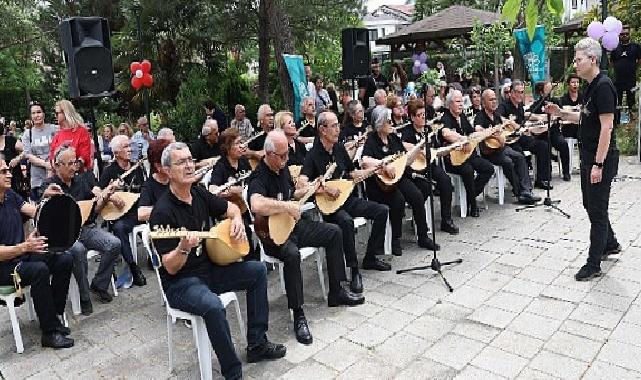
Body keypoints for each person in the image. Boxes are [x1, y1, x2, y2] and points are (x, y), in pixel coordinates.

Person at [150, 142, 286, 379]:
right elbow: (170, 267)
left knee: (257, 271)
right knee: (213, 305)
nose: (190, 165)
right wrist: (183, 248)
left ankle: (257, 344)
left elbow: (231, 209)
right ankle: (232, 372)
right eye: (181, 162)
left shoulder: (199, 193)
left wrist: (235, 220)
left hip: (209, 269)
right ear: (167, 171)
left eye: (190, 160)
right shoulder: (162, 212)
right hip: (181, 282)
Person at [247, 130, 364, 345]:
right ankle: (298, 314)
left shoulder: (280, 170)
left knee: (333, 232)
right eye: (281, 156)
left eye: (286, 155)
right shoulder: (259, 177)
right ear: (269, 154)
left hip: (293, 225)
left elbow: (292, 194)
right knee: (292, 255)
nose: (286, 160)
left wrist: (312, 188)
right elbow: (256, 204)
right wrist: (286, 206)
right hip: (274, 236)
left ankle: (336, 291)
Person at [545, 37, 621, 281]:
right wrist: (560, 113)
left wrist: (598, 164)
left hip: (601, 159)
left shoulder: (604, 86)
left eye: (578, 60)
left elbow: (606, 128)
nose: (575, 64)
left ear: (593, 59)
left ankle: (593, 263)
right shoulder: (590, 85)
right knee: (591, 205)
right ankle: (610, 243)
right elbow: (586, 118)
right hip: (588, 156)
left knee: (597, 212)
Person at [303, 111, 390, 275]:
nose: (338, 130)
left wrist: (377, 167)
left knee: (382, 211)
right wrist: (325, 188)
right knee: (346, 221)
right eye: (334, 126)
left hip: (347, 198)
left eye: (338, 125)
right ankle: (353, 269)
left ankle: (370, 258)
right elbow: (302, 183)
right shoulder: (313, 155)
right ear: (322, 129)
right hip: (330, 206)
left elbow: (353, 174)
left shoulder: (338, 149)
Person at [0, 159, 74, 349]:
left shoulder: (10, 196)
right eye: (3, 172)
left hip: (21, 254)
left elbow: (35, 212)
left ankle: (53, 316)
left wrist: (45, 199)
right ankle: (49, 333)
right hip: (4, 266)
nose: (9, 174)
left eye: (8, 170)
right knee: (39, 269)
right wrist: (24, 247)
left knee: (63, 257)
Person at [42, 145, 120, 313]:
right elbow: (41, 214)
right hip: (64, 235)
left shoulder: (81, 181)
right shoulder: (49, 186)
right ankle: (84, 297)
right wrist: (45, 196)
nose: (73, 167)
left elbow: (95, 208)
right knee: (78, 250)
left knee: (114, 243)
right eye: (69, 164)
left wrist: (106, 195)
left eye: (75, 162)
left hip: (86, 228)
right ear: (57, 166)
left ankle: (99, 284)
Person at [361, 106, 439, 255]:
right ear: (380, 123)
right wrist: (383, 164)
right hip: (380, 184)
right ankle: (395, 238)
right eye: (388, 121)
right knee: (398, 201)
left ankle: (423, 235)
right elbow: (364, 161)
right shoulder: (371, 140)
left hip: (398, 177)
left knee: (417, 195)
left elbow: (405, 160)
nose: (392, 124)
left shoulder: (393, 137)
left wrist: (420, 146)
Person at [474, 89, 540, 205]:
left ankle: (527, 190)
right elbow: (478, 129)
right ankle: (519, 193)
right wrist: (494, 133)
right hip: (490, 152)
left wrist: (518, 128)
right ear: (484, 102)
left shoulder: (496, 115)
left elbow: (506, 126)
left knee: (519, 156)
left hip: (502, 148)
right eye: (491, 100)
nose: (494, 102)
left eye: (495, 99)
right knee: (508, 162)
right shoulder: (480, 116)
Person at [401, 99, 458, 234]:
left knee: (446, 182)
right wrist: (419, 148)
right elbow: (405, 147)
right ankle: (420, 219)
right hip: (416, 169)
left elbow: (436, 151)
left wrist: (451, 148)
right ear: (413, 117)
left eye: (424, 115)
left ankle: (446, 219)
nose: (423, 118)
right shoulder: (407, 132)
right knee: (423, 189)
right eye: (420, 115)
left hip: (430, 164)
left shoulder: (429, 130)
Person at [98, 135, 147, 287]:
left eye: (129, 146)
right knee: (118, 227)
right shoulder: (109, 171)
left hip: (137, 211)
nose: (130, 149)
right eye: (126, 147)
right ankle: (133, 267)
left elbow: (145, 189)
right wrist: (111, 197)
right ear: (117, 152)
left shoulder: (137, 167)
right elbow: (98, 191)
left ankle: (156, 257)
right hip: (120, 214)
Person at [439, 90, 494, 217]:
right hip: (453, 159)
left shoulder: (462, 116)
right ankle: (473, 205)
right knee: (468, 170)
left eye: (462, 102)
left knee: (488, 168)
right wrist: (462, 139)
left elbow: (470, 132)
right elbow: (446, 133)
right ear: (449, 104)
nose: (461, 105)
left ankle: (471, 195)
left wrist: (483, 133)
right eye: (458, 102)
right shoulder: (445, 118)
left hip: (468, 155)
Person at [208, 128, 257, 261]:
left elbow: (253, 181)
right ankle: (249, 259)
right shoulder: (221, 166)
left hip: (247, 204)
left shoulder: (243, 162)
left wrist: (244, 190)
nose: (242, 146)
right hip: (232, 209)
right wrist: (230, 191)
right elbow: (213, 189)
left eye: (242, 142)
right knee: (244, 227)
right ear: (228, 147)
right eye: (238, 143)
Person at [497, 80, 553, 190]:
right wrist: (513, 124)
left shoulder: (519, 106)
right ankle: (522, 187)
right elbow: (498, 118)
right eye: (517, 92)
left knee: (543, 146)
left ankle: (541, 179)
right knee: (519, 154)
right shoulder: (504, 106)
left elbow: (522, 122)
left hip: (522, 137)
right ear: (512, 93)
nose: (520, 95)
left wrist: (530, 125)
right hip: (510, 140)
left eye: (522, 92)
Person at [531, 80, 571, 181]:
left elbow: (562, 114)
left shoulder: (556, 102)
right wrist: (540, 117)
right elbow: (529, 114)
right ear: (541, 92)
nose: (550, 91)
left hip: (554, 132)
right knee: (545, 146)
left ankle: (566, 172)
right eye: (548, 89)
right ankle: (546, 175)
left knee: (563, 144)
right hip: (542, 133)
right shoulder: (536, 104)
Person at [21, 101, 58, 202]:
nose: (36, 115)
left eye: (39, 112)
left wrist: (52, 164)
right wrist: (46, 164)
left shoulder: (54, 129)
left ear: (44, 114)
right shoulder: (27, 134)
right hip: (37, 178)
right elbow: (28, 155)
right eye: (33, 113)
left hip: (56, 175)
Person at [49, 100, 93, 172]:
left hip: (79, 176)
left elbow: (84, 156)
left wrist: (69, 170)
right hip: (61, 176)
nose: (55, 115)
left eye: (57, 113)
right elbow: (52, 157)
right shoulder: (57, 134)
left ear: (65, 113)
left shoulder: (82, 132)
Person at [138, 139, 171, 223]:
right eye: (169, 160)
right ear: (158, 165)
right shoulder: (149, 185)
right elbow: (141, 214)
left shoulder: (178, 179)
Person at [610, 26, 641, 114]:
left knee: (631, 102)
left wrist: (633, 68)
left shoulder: (636, 47)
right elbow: (611, 62)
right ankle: (617, 121)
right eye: (622, 34)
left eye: (626, 34)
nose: (624, 36)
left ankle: (631, 121)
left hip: (631, 80)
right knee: (617, 102)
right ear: (619, 35)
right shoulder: (615, 48)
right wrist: (618, 68)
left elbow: (639, 60)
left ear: (629, 34)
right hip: (618, 80)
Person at [559, 74, 583, 139]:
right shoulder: (563, 99)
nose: (575, 84)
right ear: (568, 84)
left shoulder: (583, 98)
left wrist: (570, 114)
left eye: (577, 82)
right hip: (568, 129)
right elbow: (563, 116)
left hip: (581, 129)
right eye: (573, 82)